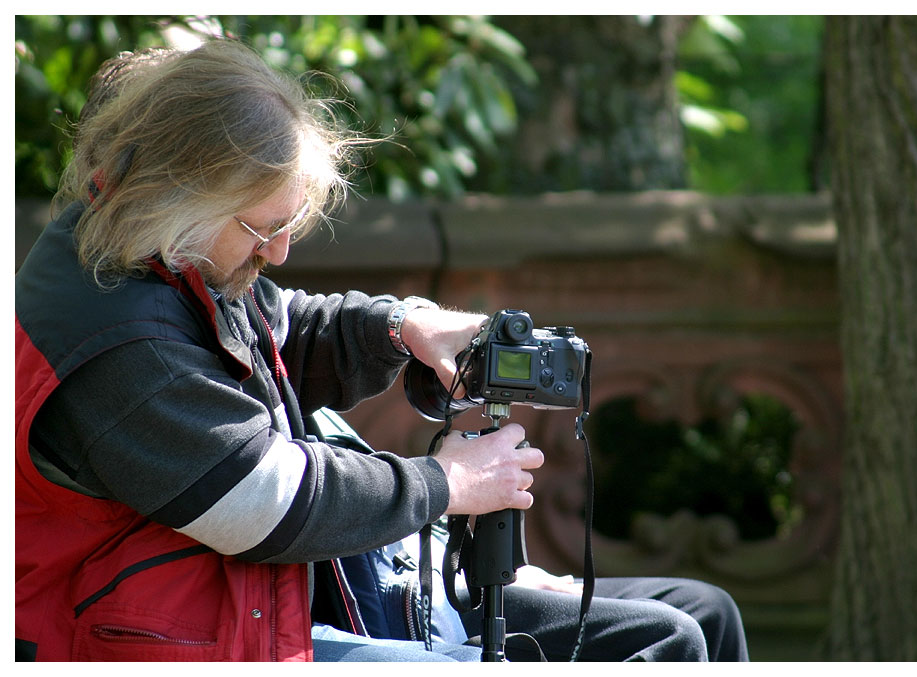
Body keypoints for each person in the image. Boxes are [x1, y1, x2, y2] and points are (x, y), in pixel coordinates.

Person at [14, 39, 748, 662]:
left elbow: (283, 330)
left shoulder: (159, 250)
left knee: (705, 610)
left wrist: (404, 326)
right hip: (193, 639)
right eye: (262, 226)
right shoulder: (116, 334)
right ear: (181, 196)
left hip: (286, 593)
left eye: (291, 220)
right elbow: (265, 502)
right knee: (665, 644)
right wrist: (446, 483)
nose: (280, 250)